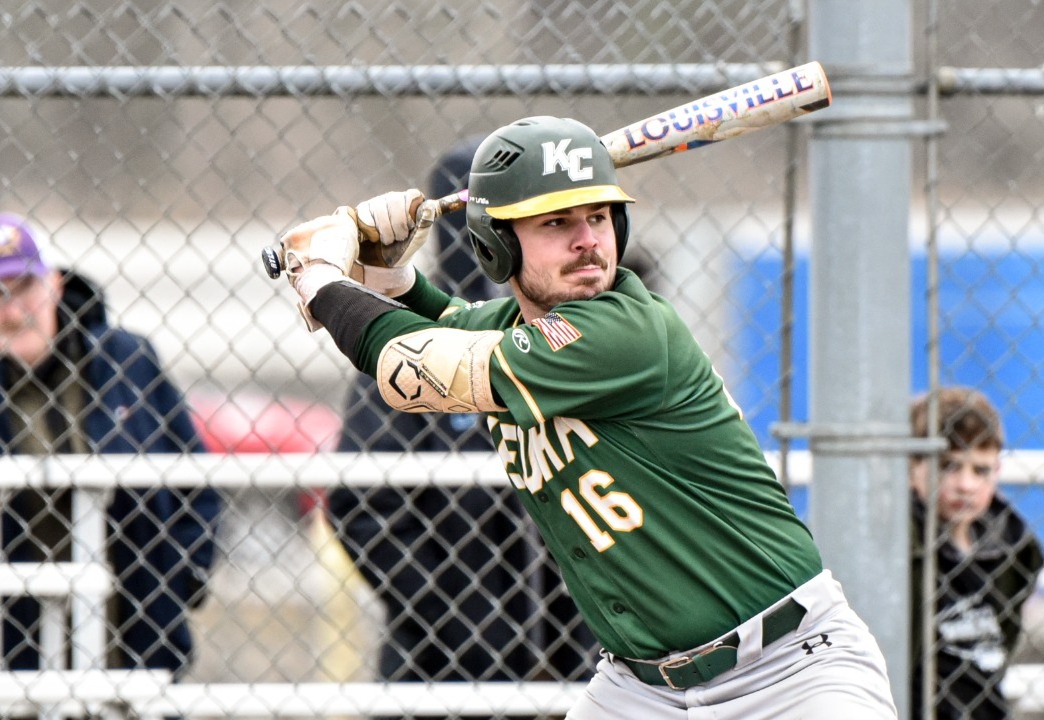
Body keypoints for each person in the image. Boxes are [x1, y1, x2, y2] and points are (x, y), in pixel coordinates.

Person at [274, 115, 897, 718]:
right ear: (494, 243)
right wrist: (390, 270)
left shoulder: (628, 332)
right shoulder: (515, 328)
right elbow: (442, 325)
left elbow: (417, 363)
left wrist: (320, 279)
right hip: (643, 686)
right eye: (556, 223)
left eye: (599, 216)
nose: (587, 240)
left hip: (790, 671)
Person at [326, 136, 597, 688]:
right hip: (442, 670)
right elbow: (363, 507)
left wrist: (587, 633)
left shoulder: (576, 335)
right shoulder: (416, 345)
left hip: (584, 660)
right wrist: (468, 632)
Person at [0, 213, 223, 674]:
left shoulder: (127, 361)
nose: (12, 311)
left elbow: (198, 480)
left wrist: (179, 580)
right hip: (4, 650)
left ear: (54, 284)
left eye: (22, 286)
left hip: (133, 635)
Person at [908, 387, 1044, 720]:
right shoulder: (899, 545)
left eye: (980, 470)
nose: (965, 484)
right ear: (913, 466)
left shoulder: (1012, 548)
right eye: (948, 466)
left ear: (997, 471)